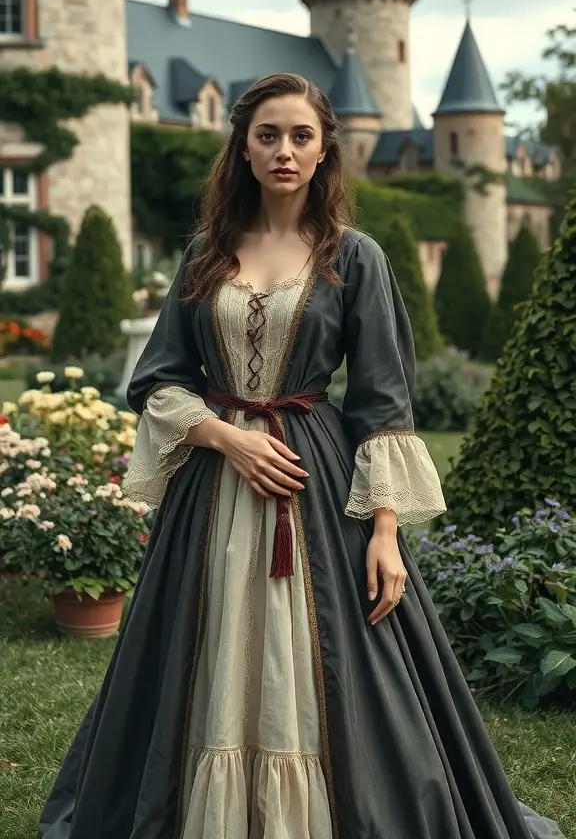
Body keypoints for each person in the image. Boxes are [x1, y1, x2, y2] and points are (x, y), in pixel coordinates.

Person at [39, 73, 565, 839]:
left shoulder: (357, 257)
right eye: (267, 135)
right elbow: (157, 377)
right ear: (243, 150)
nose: (284, 150)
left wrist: (384, 532)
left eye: (301, 136)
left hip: (317, 483)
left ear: (324, 153)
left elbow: (384, 399)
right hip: (214, 492)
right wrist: (226, 436)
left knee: (341, 664)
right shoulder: (205, 254)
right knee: (191, 653)